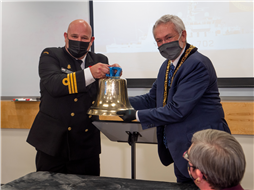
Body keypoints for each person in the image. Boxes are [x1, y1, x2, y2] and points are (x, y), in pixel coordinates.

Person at [117, 14, 231, 183]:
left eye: (168, 37)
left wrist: (136, 115)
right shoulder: (167, 65)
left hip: (207, 150)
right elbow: (151, 99)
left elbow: (177, 110)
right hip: (181, 150)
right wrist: (117, 101)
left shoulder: (196, 64)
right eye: (159, 41)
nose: (164, 44)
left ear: (182, 35)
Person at [27, 19, 120, 176]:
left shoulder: (101, 60)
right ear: (65, 36)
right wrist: (91, 73)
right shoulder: (50, 55)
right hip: (52, 144)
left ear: (91, 41)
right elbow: (55, 85)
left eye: (84, 38)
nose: (79, 41)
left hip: (85, 145)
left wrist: (113, 80)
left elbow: (103, 98)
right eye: (74, 36)